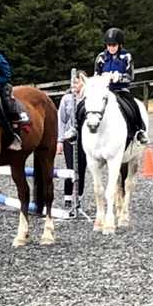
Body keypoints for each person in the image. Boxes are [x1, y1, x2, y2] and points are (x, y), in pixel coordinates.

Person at [94, 27, 149, 145]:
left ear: (119, 45)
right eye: (109, 45)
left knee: (133, 105)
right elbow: (96, 75)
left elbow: (130, 76)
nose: (111, 48)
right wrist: (103, 78)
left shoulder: (126, 57)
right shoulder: (101, 57)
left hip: (121, 89)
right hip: (105, 90)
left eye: (114, 45)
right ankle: (78, 128)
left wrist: (118, 78)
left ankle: (140, 130)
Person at [57, 77, 86, 216]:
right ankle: (68, 198)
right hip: (69, 137)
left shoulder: (89, 98)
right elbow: (61, 121)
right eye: (73, 82)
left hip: (85, 138)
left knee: (82, 168)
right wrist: (59, 141)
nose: (74, 85)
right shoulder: (66, 99)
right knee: (70, 168)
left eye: (77, 82)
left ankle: (79, 198)